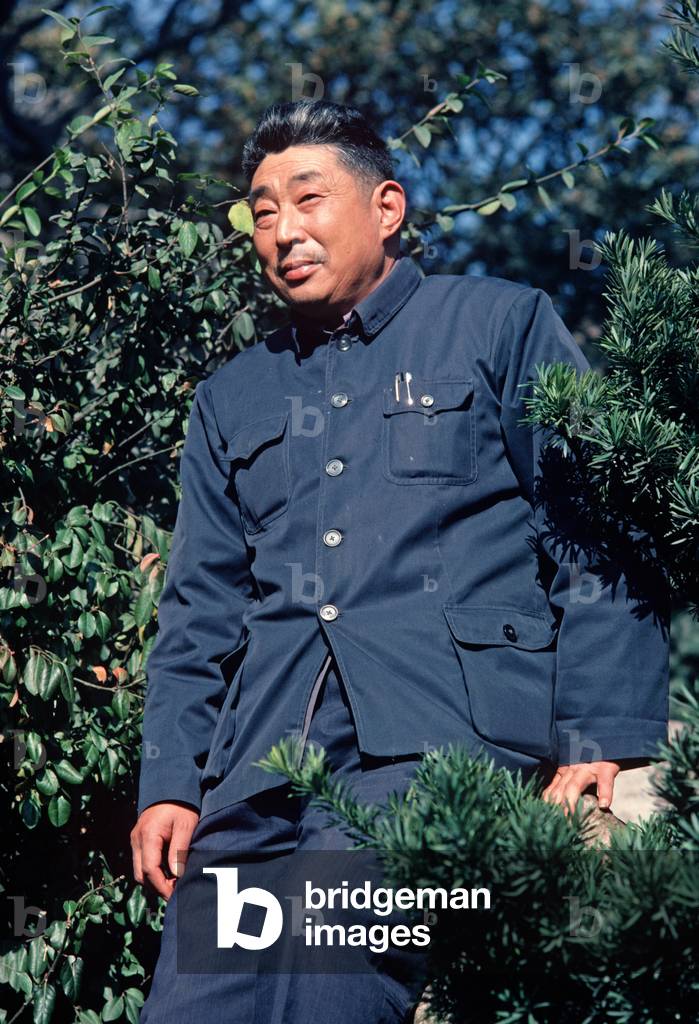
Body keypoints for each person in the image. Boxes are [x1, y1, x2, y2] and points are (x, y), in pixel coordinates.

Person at [131, 99, 670, 1023]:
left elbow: (600, 531)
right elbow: (199, 609)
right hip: (258, 770)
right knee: (194, 1006)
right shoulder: (234, 395)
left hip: (438, 741)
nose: (283, 230)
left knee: (327, 985)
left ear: (386, 208)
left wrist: (603, 736)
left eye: (307, 199)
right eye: (262, 212)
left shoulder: (497, 325)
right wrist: (173, 782)